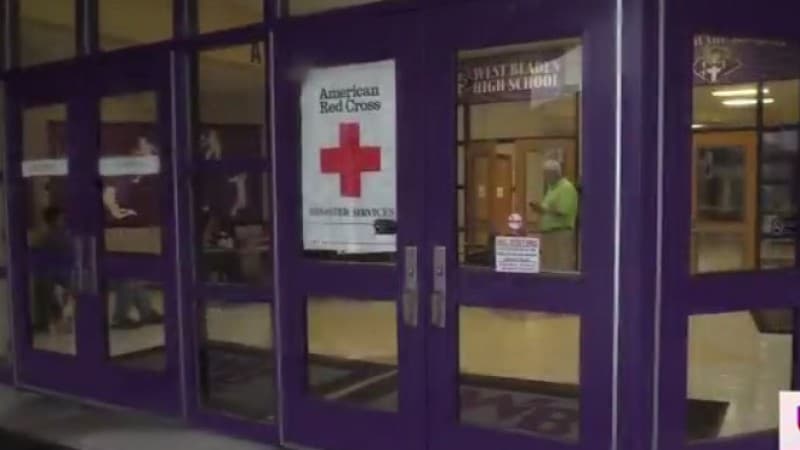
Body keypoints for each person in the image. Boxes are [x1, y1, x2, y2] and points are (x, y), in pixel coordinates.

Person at [529, 160, 579, 272]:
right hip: (548, 234)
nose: (545, 177)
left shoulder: (566, 188)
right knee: (548, 267)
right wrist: (539, 209)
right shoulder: (551, 189)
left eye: (546, 174)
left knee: (560, 267)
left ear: (555, 173)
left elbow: (563, 211)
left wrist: (544, 209)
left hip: (560, 233)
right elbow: (548, 209)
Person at [33, 206, 73, 333]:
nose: (63, 220)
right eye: (61, 218)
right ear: (55, 219)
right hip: (59, 273)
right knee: (49, 290)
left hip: (56, 273)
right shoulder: (61, 235)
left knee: (45, 289)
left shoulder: (46, 236)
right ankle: (56, 321)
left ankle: (47, 322)